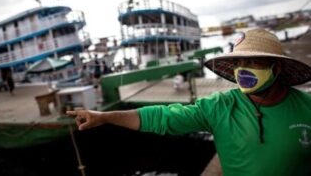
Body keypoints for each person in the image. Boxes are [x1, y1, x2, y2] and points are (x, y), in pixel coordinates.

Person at [67, 28, 311, 175]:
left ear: (276, 67)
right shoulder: (219, 107)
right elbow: (163, 117)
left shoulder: (307, 107)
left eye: (253, 62)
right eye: (238, 63)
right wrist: (106, 117)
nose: (243, 70)